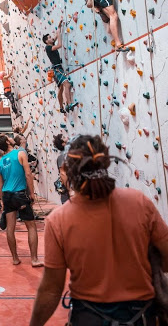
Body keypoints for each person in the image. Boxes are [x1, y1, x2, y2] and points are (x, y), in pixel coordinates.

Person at [30, 134, 168, 326]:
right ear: (105, 162)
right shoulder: (139, 203)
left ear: (66, 170)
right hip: (141, 316)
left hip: (89, 317)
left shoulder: (59, 220)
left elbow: (52, 289)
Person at [0, 134, 42, 267]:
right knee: (31, 226)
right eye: (9, 137)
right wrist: (32, 193)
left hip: (7, 195)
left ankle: (15, 258)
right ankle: (34, 259)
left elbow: (0, 184)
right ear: (8, 143)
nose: (12, 137)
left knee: (10, 229)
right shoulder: (20, 153)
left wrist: (2, 201)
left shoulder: (0, 162)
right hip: (20, 195)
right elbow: (28, 174)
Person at [42, 21, 78, 114]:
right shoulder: (48, 48)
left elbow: (56, 36)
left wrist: (59, 27)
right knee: (67, 84)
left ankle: (62, 107)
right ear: (46, 41)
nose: (51, 38)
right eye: (49, 38)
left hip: (57, 69)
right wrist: (59, 35)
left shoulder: (51, 44)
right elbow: (59, 45)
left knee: (61, 88)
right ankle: (69, 104)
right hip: (57, 69)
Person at [52, 133, 70, 204]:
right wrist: (70, 189)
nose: (67, 137)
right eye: (64, 137)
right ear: (63, 144)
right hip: (67, 188)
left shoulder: (68, 154)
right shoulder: (62, 156)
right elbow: (63, 173)